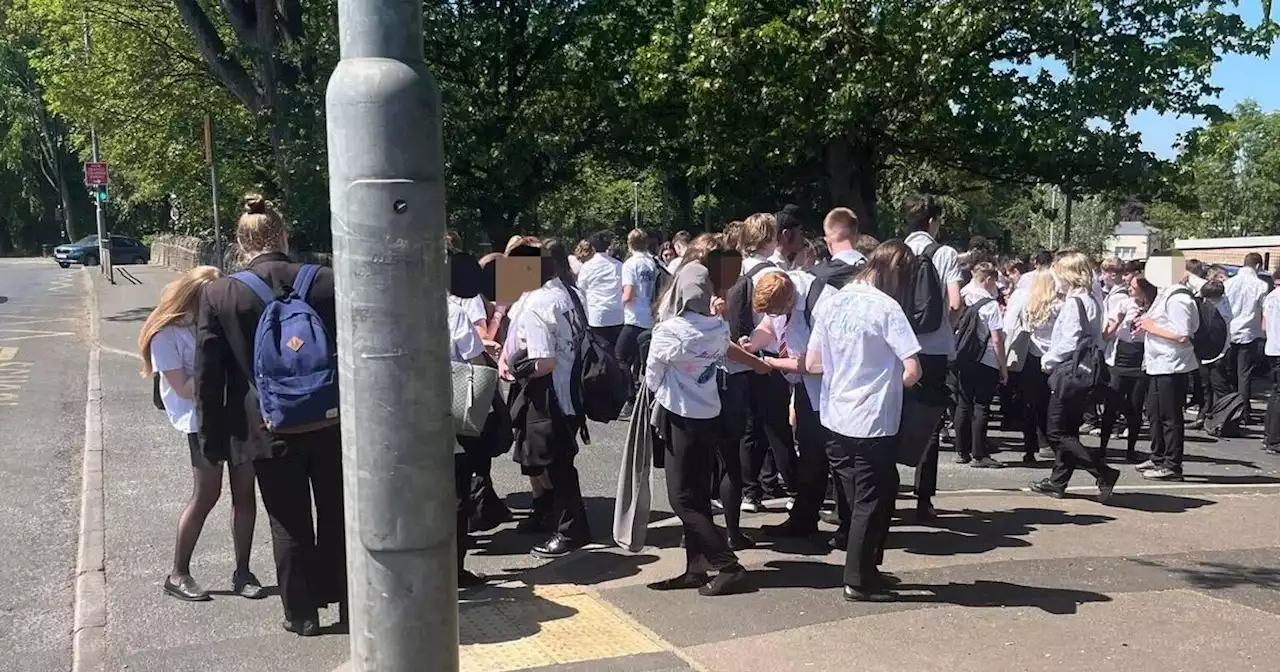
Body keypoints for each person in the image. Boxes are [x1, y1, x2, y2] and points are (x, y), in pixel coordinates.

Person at [195, 194, 344, 636]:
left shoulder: (220, 293)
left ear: (241, 244)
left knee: (288, 520)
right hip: (333, 418)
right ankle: (352, 603)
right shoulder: (325, 282)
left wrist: (213, 442)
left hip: (265, 426)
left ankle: (301, 615)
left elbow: (209, 375)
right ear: (283, 234)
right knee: (338, 512)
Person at [141, 266, 264, 603]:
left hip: (237, 414)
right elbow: (181, 388)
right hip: (200, 421)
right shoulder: (165, 334)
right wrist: (220, 374)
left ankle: (243, 571)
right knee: (207, 495)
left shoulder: (220, 321)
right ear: (195, 296)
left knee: (245, 494)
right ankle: (178, 573)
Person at [806, 271, 922, 602]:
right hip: (873, 418)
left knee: (857, 497)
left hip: (835, 415)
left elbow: (813, 363)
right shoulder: (887, 307)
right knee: (872, 499)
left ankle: (866, 570)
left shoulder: (830, 304)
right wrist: (889, 383)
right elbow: (913, 370)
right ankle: (858, 577)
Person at [758, 208, 869, 543]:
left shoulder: (823, 300)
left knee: (841, 461)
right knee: (811, 457)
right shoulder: (784, 291)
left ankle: (851, 527)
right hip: (808, 391)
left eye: (781, 311)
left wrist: (772, 364)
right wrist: (754, 343)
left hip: (833, 389)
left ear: (790, 297)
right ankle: (804, 519)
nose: (779, 317)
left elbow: (820, 363)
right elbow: (768, 326)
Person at [645, 262, 750, 596]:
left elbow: (652, 375)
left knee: (681, 499)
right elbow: (720, 357)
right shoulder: (718, 327)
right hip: (709, 413)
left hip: (679, 414)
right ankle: (696, 566)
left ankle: (726, 563)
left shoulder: (670, 330)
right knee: (699, 495)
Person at [504, 240, 592, 558]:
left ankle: (571, 529)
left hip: (551, 393)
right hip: (571, 389)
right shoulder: (568, 293)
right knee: (562, 464)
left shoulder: (539, 303)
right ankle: (570, 524)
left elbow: (544, 362)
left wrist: (517, 366)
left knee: (557, 466)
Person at [1029, 252, 1120, 501]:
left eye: (1058, 274)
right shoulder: (1092, 300)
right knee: (1069, 430)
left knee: (1057, 432)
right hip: (1085, 374)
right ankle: (1058, 482)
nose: (1056, 280)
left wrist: (1048, 360)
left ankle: (1102, 471)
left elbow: (1069, 340)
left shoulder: (1074, 303)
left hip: (1070, 372)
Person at [727, 213, 797, 513]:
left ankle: (749, 492)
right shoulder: (776, 270)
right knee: (778, 427)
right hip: (771, 355)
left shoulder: (735, 269)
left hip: (741, 354)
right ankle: (796, 488)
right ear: (771, 238)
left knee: (750, 428)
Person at [901, 195, 962, 520]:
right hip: (935, 351)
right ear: (933, 221)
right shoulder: (944, 254)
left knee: (892, 418)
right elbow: (954, 303)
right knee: (929, 425)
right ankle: (923, 499)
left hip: (900, 348)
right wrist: (943, 329)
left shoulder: (896, 251)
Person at [1135, 258, 1200, 481]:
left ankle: (1172, 465)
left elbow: (1182, 334)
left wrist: (1151, 327)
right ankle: (1158, 456)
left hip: (1172, 365)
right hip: (1157, 363)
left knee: (1170, 417)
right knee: (1155, 413)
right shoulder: (1166, 293)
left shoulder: (1179, 297)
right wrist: (1144, 323)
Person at [449, 292, 491, 588]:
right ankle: (454, 568)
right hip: (448, 418)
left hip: (399, 421)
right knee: (455, 496)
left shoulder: (386, 304)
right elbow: (476, 361)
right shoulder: (452, 312)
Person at [953, 262, 1008, 468]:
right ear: (988, 280)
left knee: (963, 403)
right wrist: (1003, 367)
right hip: (985, 360)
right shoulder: (990, 304)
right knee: (982, 405)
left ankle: (961, 450)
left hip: (963, 357)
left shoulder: (962, 296)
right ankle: (979, 454)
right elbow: (997, 339)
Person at [1100, 270, 1155, 462]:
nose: (1129, 290)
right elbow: (1107, 334)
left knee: (1135, 406)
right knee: (1112, 404)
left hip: (1140, 360)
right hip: (1120, 358)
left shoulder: (1154, 307)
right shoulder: (1123, 304)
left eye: (1133, 287)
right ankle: (1103, 446)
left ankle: (1131, 448)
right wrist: (1120, 320)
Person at [1010, 266, 1060, 464]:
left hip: (1032, 356)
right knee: (1050, 405)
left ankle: (1029, 448)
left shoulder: (1029, 303)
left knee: (1030, 405)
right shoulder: (1058, 305)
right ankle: (1049, 442)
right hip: (1052, 357)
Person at [1224, 253, 1269, 425]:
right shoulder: (1261, 286)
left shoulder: (1229, 283)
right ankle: (1243, 411)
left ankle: (1230, 408)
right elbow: (1264, 310)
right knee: (1245, 375)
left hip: (1230, 332)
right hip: (1249, 334)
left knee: (1230, 374)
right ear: (1257, 266)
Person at [620, 228, 659, 414]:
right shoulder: (652, 262)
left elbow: (628, 294)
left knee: (620, 356)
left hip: (634, 317)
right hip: (650, 316)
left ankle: (630, 397)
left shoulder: (630, 264)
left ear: (629, 244)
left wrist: (619, 302)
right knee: (642, 359)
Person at [576, 231, 625, 349]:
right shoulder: (619, 265)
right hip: (617, 314)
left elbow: (581, 289)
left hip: (597, 315)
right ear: (608, 245)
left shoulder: (587, 267)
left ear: (592, 247)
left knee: (601, 353)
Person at [1197, 280, 1234, 429]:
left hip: (1216, 353)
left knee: (1216, 387)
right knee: (1213, 386)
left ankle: (1221, 419)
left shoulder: (1215, 312)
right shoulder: (1224, 302)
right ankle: (1209, 415)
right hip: (1222, 350)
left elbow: (1213, 333)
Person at [1263, 278, 1280, 455]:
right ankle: (1274, 439)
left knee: (1275, 394)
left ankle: (1269, 434)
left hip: (1272, 347)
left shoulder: (1271, 296)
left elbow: (1264, 325)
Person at [770, 204, 807, 271]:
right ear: (787, 234)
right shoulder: (773, 266)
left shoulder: (786, 263)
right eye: (801, 232)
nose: (804, 238)